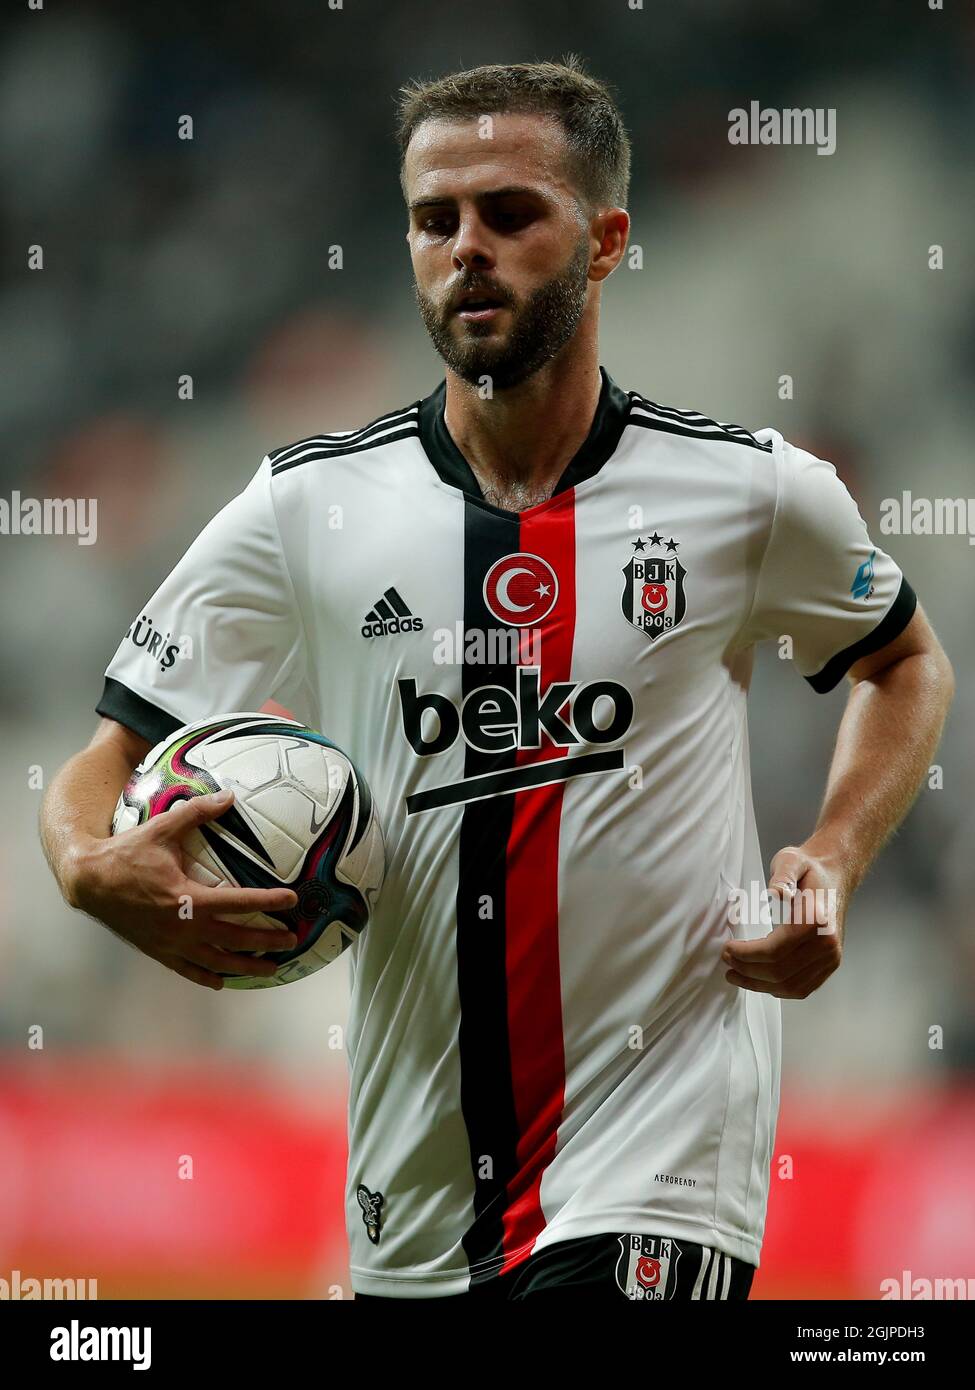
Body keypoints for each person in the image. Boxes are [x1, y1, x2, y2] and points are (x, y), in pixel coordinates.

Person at [41, 57, 954, 1302]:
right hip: (411, 1196)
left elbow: (904, 660)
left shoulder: (752, 490)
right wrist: (90, 870)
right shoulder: (308, 505)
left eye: (511, 214)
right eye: (436, 221)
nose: (466, 247)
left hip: (660, 1164)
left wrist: (832, 858)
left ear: (609, 239)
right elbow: (105, 759)